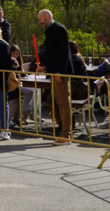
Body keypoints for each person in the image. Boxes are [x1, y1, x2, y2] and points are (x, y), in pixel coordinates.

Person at [36, 9, 73, 142]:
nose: (40, 22)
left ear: (47, 16)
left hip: (60, 72)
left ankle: (66, 133)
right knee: (57, 102)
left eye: (40, 19)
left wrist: (59, 72)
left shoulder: (60, 29)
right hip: (54, 71)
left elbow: (63, 53)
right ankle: (63, 130)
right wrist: (46, 67)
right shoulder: (50, 30)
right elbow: (52, 53)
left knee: (63, 102)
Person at [8, 44, 35, 126]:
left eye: (17, 54)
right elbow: (11, 74)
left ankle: (25, 112)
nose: (15, 56)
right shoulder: (9, 61)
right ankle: (23, 112)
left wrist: (23, 74)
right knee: (27, 92)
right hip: (12, 85)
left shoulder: (19, 60)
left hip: (19, 82)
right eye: (14, 54)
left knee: (31, 90)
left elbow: (21, 72)